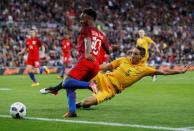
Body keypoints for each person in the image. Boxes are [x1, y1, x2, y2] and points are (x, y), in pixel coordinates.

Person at [40, 8, 111, 117]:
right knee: (70, 86)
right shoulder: (102, 35)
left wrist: (87, 53)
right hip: (95, 66)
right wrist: (115, 47)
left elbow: (88, 40)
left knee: (67, 82)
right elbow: (109, 50)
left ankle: (90, 85)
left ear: (88, 18)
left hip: (86, 60)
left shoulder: (86, 28)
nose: (80, 20)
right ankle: (72, 111)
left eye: (82, 17)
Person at [73, 46, 190, 109]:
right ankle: (64, 86)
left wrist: (180, 71)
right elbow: (107, 66)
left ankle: (77, 104)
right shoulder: (123, 59)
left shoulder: (144, 69)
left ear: (142, 56)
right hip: (104, 78)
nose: (133, 55)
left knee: (87, 103)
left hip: (111, 90)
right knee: (84, 73)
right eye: (132, 53)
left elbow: (163, 71)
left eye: (136, 54)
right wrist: (93, 67)